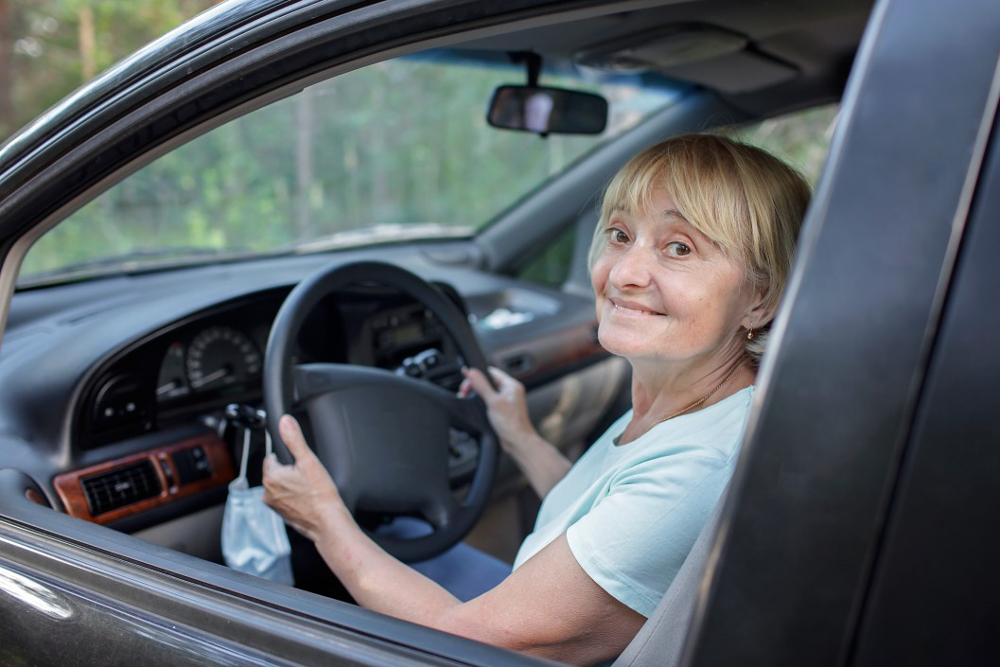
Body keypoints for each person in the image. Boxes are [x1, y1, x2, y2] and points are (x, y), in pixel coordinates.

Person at [262, 134, 811, 666]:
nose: (624, 273)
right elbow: (607, 515)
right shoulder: (697, 402)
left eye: (678, 248)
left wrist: (322, 519)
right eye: (620, 235)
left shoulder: (696, 468)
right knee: (404, 535)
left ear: (759, 299)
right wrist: (521, 437)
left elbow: (467, 644)